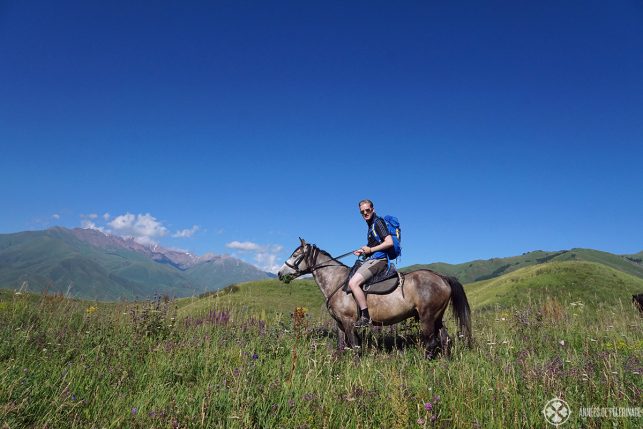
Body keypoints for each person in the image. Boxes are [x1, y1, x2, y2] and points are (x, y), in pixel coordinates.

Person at [350, 199, 395, 328]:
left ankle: (365, 317)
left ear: (373, 209)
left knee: (353, 283)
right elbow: (373, 246)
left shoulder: (378, 223)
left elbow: (389, 242)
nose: (365, 213)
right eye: (362, 212)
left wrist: (371, 250)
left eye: (367, 210)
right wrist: (363, 251)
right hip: (373, 259)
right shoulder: (371, 226)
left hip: (380, 261)